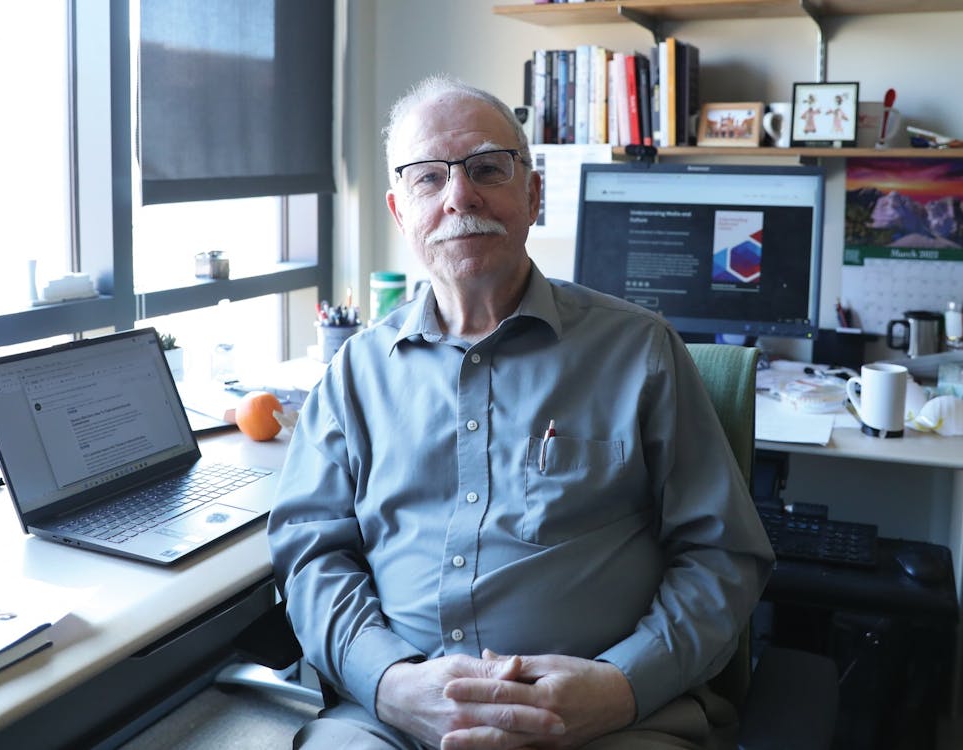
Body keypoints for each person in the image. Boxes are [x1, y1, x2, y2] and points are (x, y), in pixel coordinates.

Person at [267, 75, 774, 750]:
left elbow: (722, 556)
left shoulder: (640, 352)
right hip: (393, 722)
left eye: (486, 169)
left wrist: (622, 686)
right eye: (428, 179)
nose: (460, 196)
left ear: (533, 194)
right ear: (398, 211)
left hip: (609, 721)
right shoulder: (355, 374)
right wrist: (386, 681)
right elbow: (311, 558)